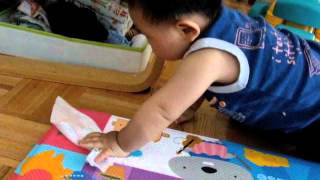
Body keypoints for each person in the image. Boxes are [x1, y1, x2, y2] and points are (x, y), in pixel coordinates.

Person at [79, 0, 320, 162]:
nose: (146, 41)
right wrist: (188, 104)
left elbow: (161, 110)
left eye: (149, 36)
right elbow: (196, 81)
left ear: (186, 30)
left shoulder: (210, 57)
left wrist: (120, 143)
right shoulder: (225, 19)